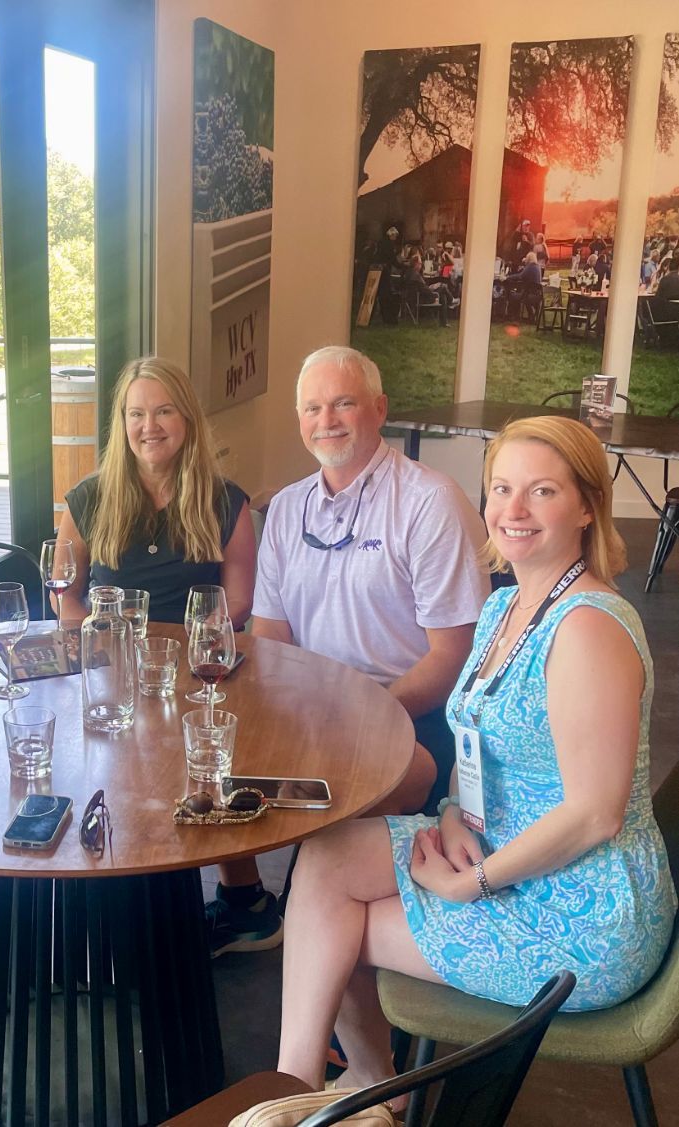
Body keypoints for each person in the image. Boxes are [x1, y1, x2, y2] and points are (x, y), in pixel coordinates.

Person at [277, 416, 677, 1097]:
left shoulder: (587, 628)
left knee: (331, 929)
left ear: (586, 506)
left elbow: (595, 814)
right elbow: (477, 742)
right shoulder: (503, 607)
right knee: (326, 858)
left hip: (581, 914)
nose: (513, 510)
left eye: (542, 491)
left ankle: (317, 1095)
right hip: (501, 844)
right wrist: (453, 813)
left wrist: (478, 880)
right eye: (501, 488)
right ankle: (335, 1088)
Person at [204, 346, 488, 958]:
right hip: (313, 715)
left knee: (314, 861)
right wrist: (281, 720)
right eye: (312, 408)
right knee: (206, 762)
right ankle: (252, 908)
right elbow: (271, 636)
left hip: (412, 717)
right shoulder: (286, 509)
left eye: (343, 404)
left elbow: (455, 654)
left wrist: (361, 719)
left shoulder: (429, 502)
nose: (326, 420)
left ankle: (323, 917)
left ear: (379, 410)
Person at [56, 355, 256, 627]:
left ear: (187, 418)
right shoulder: (87, 498)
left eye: (164, 411)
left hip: (197, 647)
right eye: (136, 414)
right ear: (123, 423)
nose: (150, 426)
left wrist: (200, 638)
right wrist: (96, 640)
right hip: (110, 647)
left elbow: (238, 601)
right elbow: (63, 595)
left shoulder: (227, 501)